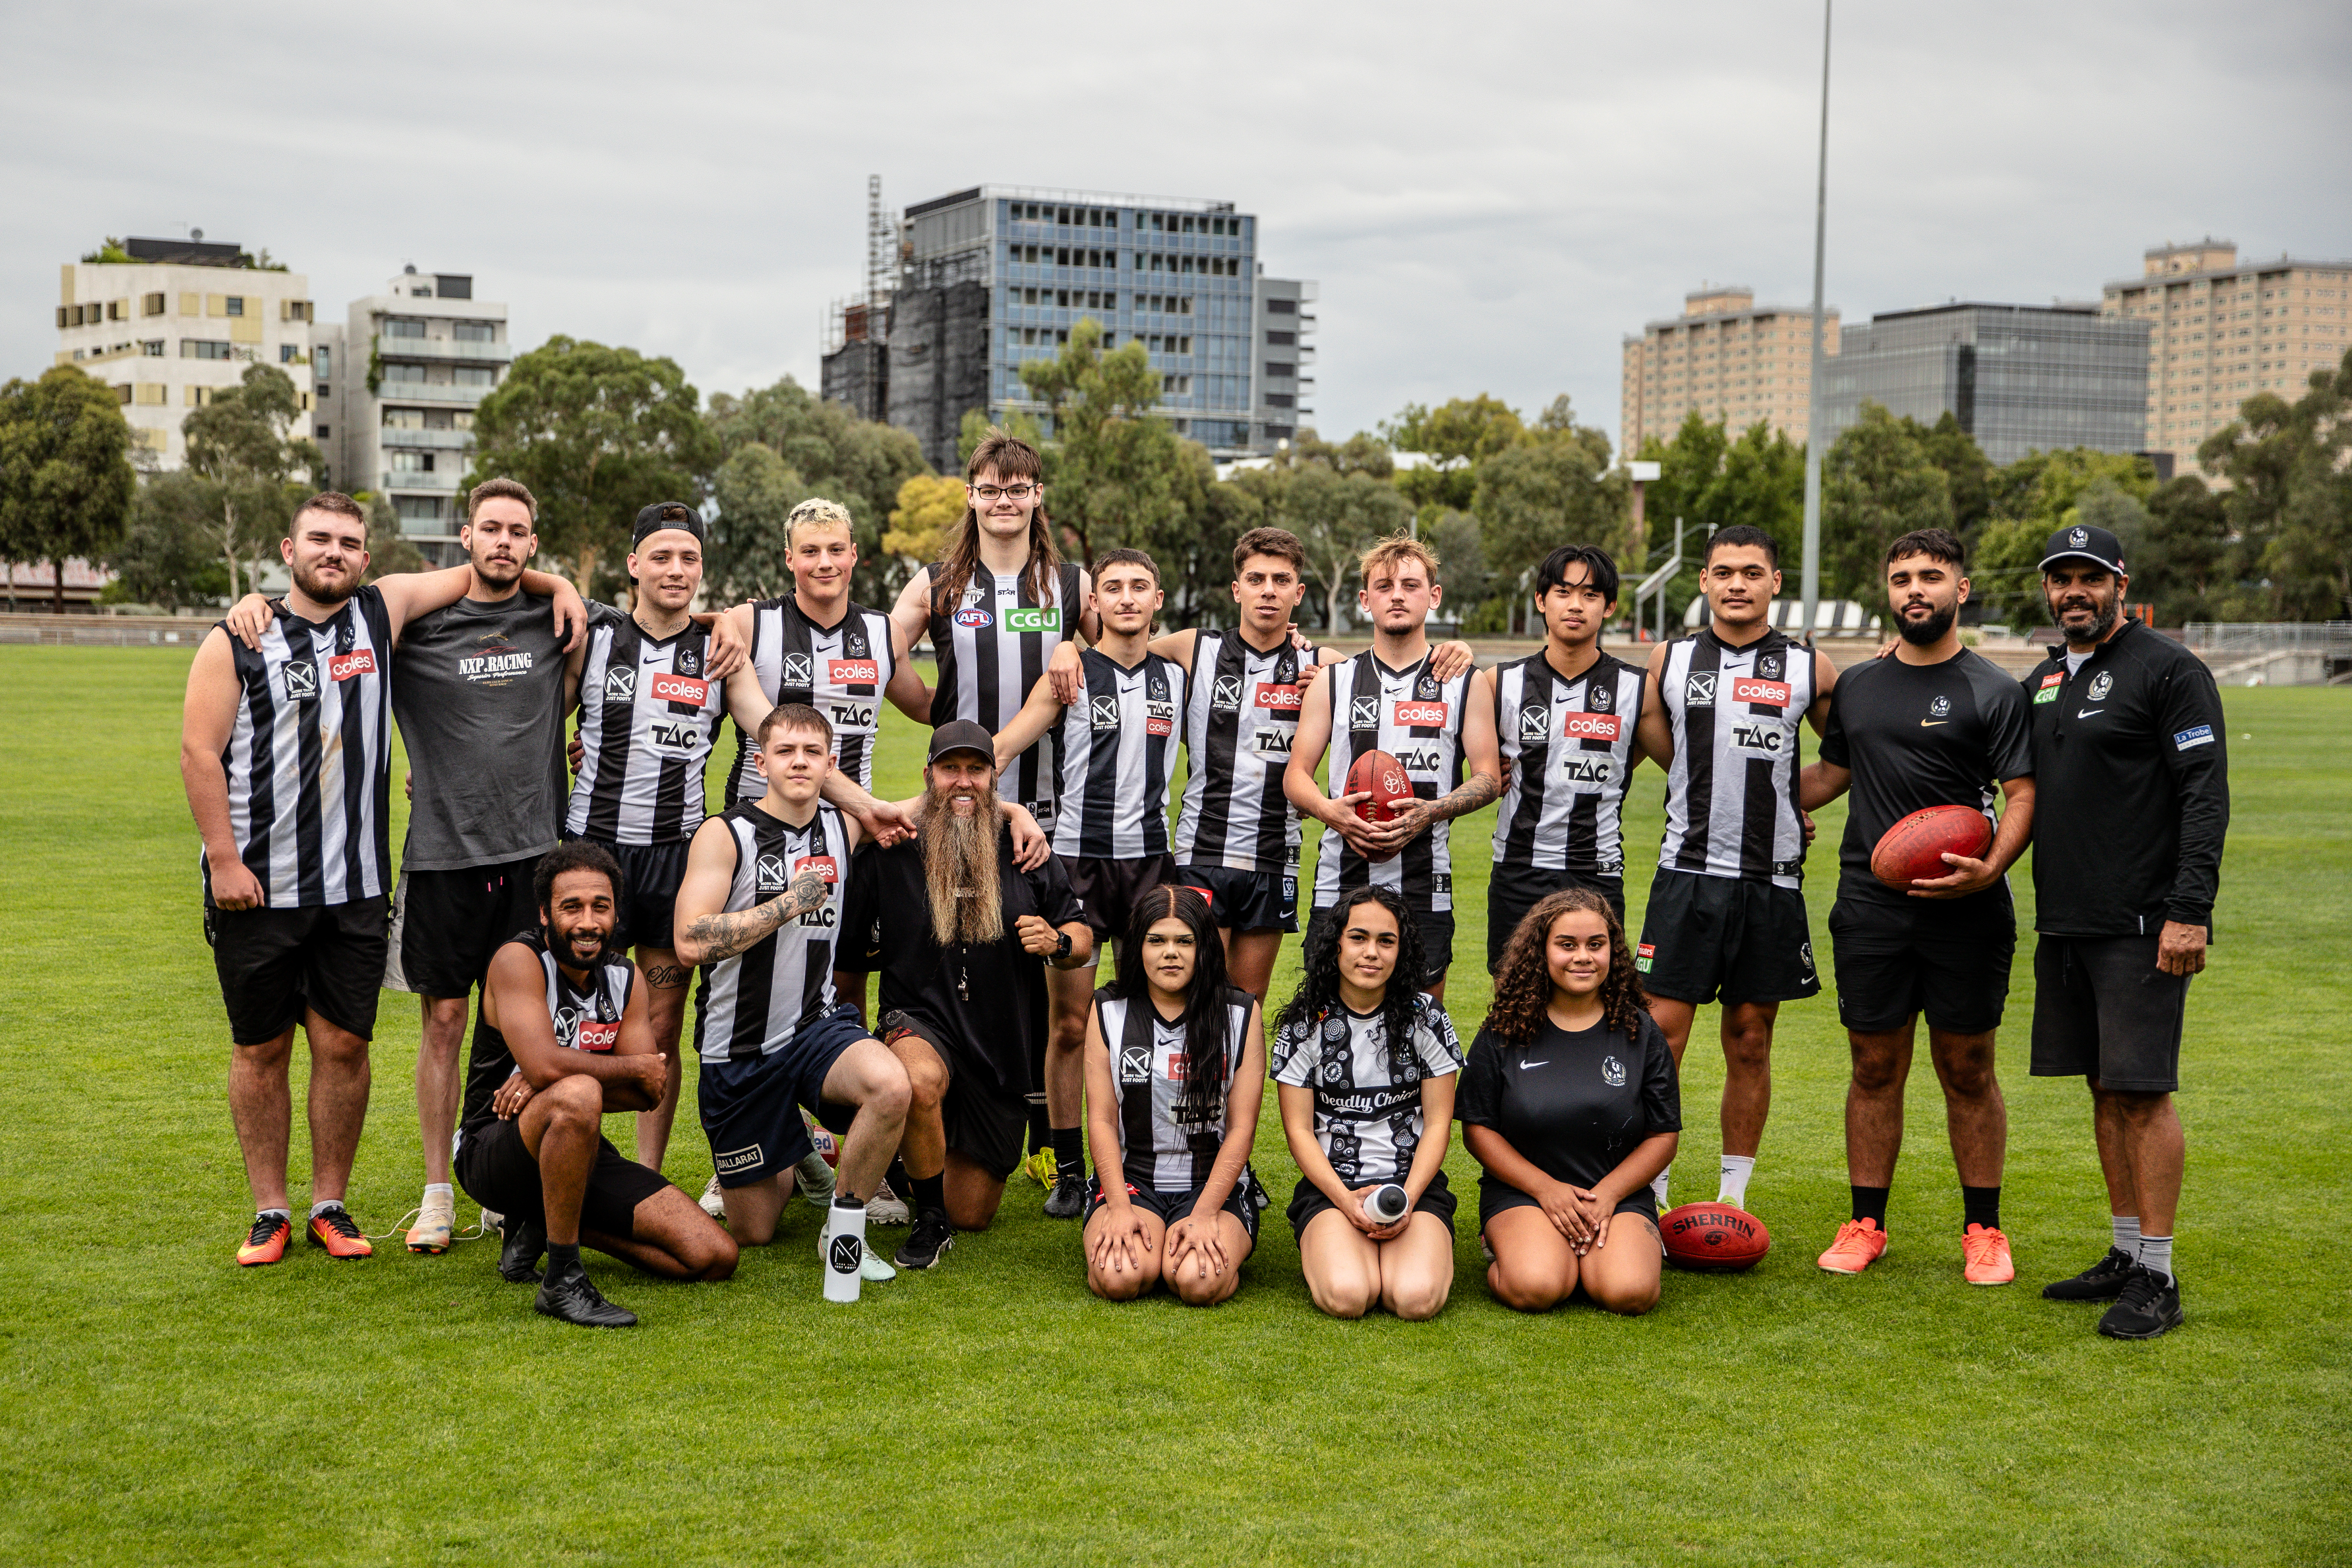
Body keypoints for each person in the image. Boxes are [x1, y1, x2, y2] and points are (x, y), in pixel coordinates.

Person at [186, 490, 587, 1266]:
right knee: (260, 1048)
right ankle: (270, 1209)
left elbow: (494, 568)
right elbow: (198, 754)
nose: (332, 552)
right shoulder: (238, 638)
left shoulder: (382, 610)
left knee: (343, 1044)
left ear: (366, 558)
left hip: (357, 885)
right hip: (258, 882)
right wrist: (226, 859)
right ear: (288, 547)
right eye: (318, 540)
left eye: (347, 542)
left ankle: (330, 1204)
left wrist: (562, 585)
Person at [1799, 527, 2036, 1286]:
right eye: (1900, 576)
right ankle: (1866, 1221)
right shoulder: (1860, 686)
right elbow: (1831, 775)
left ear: (1960, 589)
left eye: (1930, 576)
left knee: (1967, 1066)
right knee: (1872, 1064)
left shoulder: (1994, 689)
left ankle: (1984, 1229)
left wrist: (1989, 868)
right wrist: (1741, 794)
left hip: (1966, 906)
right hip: (1870, 906)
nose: (1914, 589)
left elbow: (2022, 794)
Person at [563, 501, 824, 1176]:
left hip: (673, 859)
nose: (676, 570)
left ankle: (646, 1179)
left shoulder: (718, 652)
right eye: (661, 556)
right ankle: (565, 1161)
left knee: (658, 1031)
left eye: (688, 559)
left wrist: (867, 805)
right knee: (571, 1017)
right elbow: (526, 716)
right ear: (633, 565)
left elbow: (777, 739)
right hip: (588, 854)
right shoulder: (592, 636)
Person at [2022, 523, 2227, 1339]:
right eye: (2060, 579)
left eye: (2089, 577)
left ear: (2119, 582)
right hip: (2065, 920)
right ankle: (2124, 1251)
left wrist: (2188, 910)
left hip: (2143, 923)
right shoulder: (2044, 677)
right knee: (2103, 1089)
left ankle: (2160, 1276)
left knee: (2141, 1093)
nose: (2074, 591)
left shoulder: (2167, 669)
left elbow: (2203, 795)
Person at [889, 430, 1100, 1193]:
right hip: (963, 812)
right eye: (990, 488)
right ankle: (929, 1134)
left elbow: (1138, 649)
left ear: (1036, 496)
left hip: (1052, 811)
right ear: (970, 496)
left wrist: (1079, 644)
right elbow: (881, 659)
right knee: (960, 976)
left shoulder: (1071, 586)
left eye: (1018, 488)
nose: (1004, 501)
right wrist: (941, 724)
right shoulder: (938, 582)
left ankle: (1058, 1150)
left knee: (1062, 1000)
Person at [716, 496, 933, 1227]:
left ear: (854, 555)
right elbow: (765, 726)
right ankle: (755, 1149)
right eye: (808, 551)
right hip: (763, 839)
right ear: (789, 558)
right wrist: (865, 803)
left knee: (842, 992)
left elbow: (928, 704)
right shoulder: (753, 623)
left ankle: (850, 1160)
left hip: (854, 840)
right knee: (746, 997)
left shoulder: (879, 631)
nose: (823, 563)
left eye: (835, 549)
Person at [672, 704, 917, 1288]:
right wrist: (788, 901)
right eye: (785, 752)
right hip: (739, 1051)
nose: (799, 762)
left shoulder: (844, 825)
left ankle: (844, 1225)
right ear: (761, 762)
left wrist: (1011, 809)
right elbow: (687, 940)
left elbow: (928, 802)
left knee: (891, 1086)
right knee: (755, 1227)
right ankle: (802, 1148)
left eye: (812, 753)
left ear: (831, 764)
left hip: (815, 1029)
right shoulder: (724, 833)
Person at [1631, 523, 1836, 1218]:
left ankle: (1731, 1194)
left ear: (1775, 582)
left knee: (1749, 1036)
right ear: (1704, 581)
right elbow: (1659, 737)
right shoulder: (1670, 658)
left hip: (1768, 881)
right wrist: (1706, 783)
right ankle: (1650, 1186)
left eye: (1752, 571)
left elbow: (1838, 761)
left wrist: (1780, 800)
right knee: (1660, 1032)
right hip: (1685, 871)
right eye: (1723, 572)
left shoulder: (1812, 668)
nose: (1737, 583)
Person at [842, 722, 1096, 1269]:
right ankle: (929, 1219)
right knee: (919, 1080)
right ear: (928, 774)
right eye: (950, 768)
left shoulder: (1023, 847)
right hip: (918, 1020)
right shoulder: (892, 847)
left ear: (993, 775)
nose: (963, 781)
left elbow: (1082, 938)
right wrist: (854, 1040)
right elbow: (847, 961)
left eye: (975, 769)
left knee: (973, 1211)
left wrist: (1057, 942)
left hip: (997, 1047)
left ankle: (898, 1165)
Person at [459, 842, 738, 1327]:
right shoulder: (517, 960)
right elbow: (569, 1068)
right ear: (545, 913)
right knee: (578, 1094)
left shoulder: (624, 977)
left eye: (600, 907)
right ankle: (562, 1279)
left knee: (712, 1255)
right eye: (572, 907)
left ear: (616, 913)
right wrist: (606, 1069)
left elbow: (648, 1091)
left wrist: (560, 1074)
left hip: (575, 1142)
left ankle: (547, 1221)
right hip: (493, 1144)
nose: (587, 921)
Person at [990, 548, 1190, 1218]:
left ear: (1157, 598)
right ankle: (1068, 1168)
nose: (1127, 598)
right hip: (1074, 864)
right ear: (1094, 603)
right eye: (1113, 588)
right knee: (1071, 1023)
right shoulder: (1068, 675)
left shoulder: (1179, 675)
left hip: (1152, 867)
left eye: (1140, 586)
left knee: (1148, 1021)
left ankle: (1140, 1159)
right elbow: (1003, 745)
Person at [1285, 534, 1501, 1004]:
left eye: (1411, 584)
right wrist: (1330, 811)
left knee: (1420, 1030)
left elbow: (1488, 776)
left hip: (1424, 884)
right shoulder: (1334, 681)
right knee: (1330, 1029)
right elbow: (1296, 774)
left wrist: (1432, 810)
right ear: (1365, 600)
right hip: (1340, 880)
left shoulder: (1465, 683)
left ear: (1434, 596)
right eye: (1384, 586)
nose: (1398, 594)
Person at [1460, 890, 1680, 1316]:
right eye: (1567, 945)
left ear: (1612, 953)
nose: (1583, 957)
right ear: (1539, 952)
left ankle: (1587, 1255)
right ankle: (1516, 1247)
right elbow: (1477, 1129)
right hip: (1523, 1191)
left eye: (1595, 945)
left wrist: (1608, 1195)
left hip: (1615, 1192)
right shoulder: (1504, 1030)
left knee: (1629, 1294)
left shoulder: (1641, 1031)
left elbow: (1663, 1135)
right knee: (1536, 1288)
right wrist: (1545, 1190)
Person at [1271, 885, 1464, 1321]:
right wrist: (1344, 1202)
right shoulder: (1305, 1024)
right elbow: (1299, 1132)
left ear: (1402, 951)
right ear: (1336, 943)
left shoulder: (1427, 1017)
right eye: (1358, 938)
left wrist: (1409, 1198)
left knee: (1415, 1300)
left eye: (1386, 941)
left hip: (1411, 1184)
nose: (1371, 952)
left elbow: (1437, 1125)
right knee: (1348, 1296)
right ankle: (1340, 1243)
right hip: (1333, 1188)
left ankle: (1403, 1249)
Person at [1081, 886, 1268, 1306]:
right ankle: (1150, 1243)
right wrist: (1118, 1207)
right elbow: (1102, 1121)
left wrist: (1204, 1214)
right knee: (1119, 1279)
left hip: (1211, 1185)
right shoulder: (1108, 1009)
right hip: (1132, 1182)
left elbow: (1242, 1128)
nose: (1171, 953)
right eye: (1156, 941)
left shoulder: (1239, 1012)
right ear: (1137, 947)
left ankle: (1180, 1242)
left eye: (1185, 941)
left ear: (1205, 948)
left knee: (1198, 1283)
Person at [1479, 544, 1649, 968]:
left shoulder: (1637, 688)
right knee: (1512, 1003)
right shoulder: (1499, 683)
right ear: (1541, 600)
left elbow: (1688, 768)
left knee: (1592, 1003)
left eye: (1590, 595)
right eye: (1562, 591)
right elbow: (1468, 766)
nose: (1575, 605)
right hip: (1518, 868)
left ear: (1609, 606)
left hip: (1597, 871)